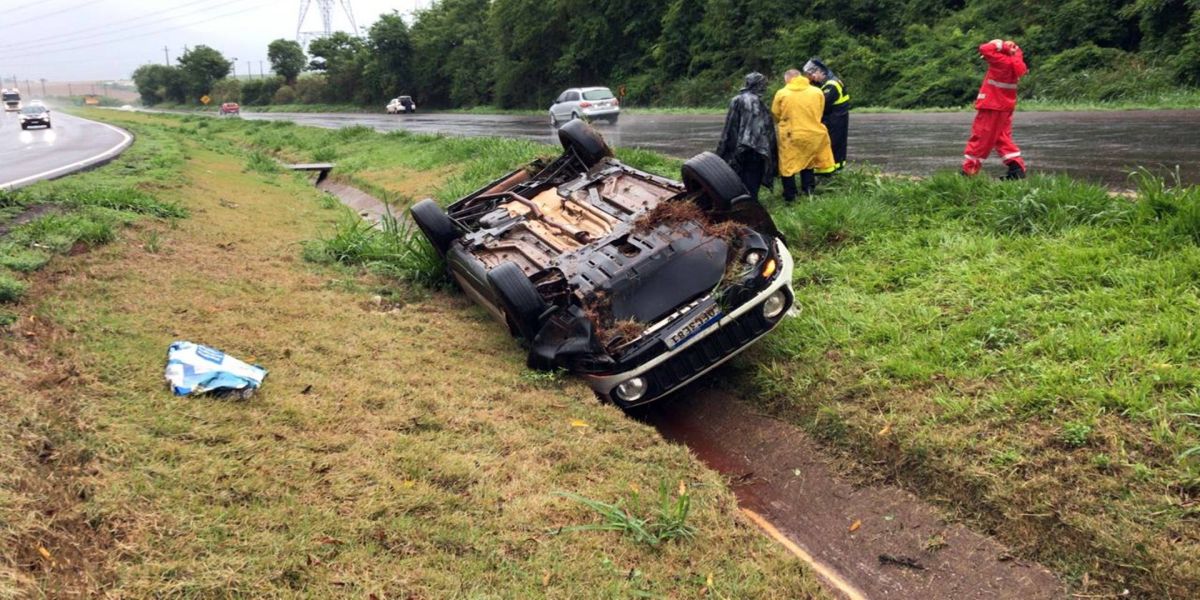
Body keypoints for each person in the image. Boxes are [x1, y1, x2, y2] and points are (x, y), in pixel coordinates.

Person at [962, 39, 1029, 179]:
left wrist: (1000, 44)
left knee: (981, 137)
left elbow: (985, 49)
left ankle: (969, 172)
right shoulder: (1013, 62)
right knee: (1002, 138)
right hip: (1004, 107)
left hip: (992, 106)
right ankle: (1017, 170)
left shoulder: (1001, 61)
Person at [772, 69, 835, 199]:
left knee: (787, 165)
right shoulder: (817, 92)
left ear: (787, 79)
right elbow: (820, 110)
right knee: (808, 162)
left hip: (791, 134)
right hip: (813, 134)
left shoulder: (782, 93)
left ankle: (790, 195)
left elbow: (775, 113)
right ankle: (808, 192)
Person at [716, 72, 777, 202]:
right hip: (753, 149)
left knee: (740, 179)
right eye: (763, 84)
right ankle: (750, 207)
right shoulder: (755, 101)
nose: (764, 87)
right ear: (758, 85)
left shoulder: (736, 99)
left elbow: (730, 127)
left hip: (739, 149)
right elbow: (758, 130)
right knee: (751, 182)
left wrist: (726, 149)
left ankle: (741, 203)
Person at [803, 58, 850, 174]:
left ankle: (833, 172)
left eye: (812, 74)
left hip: (835, 119)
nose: (811, 77)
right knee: (836, 145)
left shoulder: (831, 85)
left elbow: (821, 104)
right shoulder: (826, 83)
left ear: (820, 72)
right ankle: (835, 170)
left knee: (834, 145)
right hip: (835, 118)